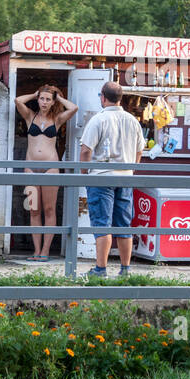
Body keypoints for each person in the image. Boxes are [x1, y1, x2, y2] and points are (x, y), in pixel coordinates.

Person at [79, 81, 145, 277]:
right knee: (123, 225)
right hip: (125, 178)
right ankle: (125, 269)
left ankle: (101, 269)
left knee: (102, 224)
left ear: (103, 97)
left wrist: (84, 174)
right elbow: (139, 149)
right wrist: (131, 170)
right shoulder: (132, 120)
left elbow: (85, 150)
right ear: (120, 98)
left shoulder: (98, 120)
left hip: (101, 177)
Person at [14, 84, 78, 260]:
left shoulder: (57, 119)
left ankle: (45, 251)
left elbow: (74, 108)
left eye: (47, 99)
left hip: (51, 167)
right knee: (34, 210)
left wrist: (58, 97)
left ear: (52, 102)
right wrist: (34, 94)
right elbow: (18, 100)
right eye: (42, 98)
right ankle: (36, 251)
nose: (44, 102)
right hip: (30, 168)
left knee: (49, 209)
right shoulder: (29, 116)